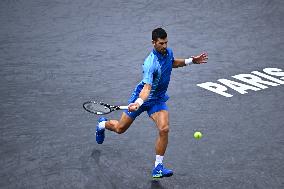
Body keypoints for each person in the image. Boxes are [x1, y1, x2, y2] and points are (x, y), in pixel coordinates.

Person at [95, 28, 208, 178]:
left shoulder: (168, 52)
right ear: (153, 43)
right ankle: (102, 124)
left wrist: (191, 61)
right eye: (161, 43)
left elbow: (172, 63)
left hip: (158, 99)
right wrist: (139, 102)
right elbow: (147, 88)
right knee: (120, 129)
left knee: (164, 129)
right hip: (141, 98)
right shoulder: (150, 63)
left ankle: (158, 167)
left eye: (166, 42)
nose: (164, 46)